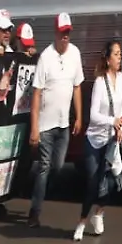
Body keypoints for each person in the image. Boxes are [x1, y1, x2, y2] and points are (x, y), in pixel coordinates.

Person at [29, 12, 84, 228]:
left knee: (58, 166)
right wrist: (35, 128)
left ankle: (42, 191)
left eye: (68, 32)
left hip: (63, 124)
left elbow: (77, 87)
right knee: (44, 167)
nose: (65, 36)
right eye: (62, 32)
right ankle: (35, 212)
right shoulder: (46, 57)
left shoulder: (75, 53)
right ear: (55, 32)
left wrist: (79, 116)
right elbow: (36, 93)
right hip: (45, 124)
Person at [74, 39, 122, 241]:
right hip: (94, 140)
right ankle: (81, 222)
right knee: (93, 183)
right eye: (116, 54)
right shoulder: (99, 82)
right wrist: (112, 121)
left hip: (111, 140)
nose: (119, 57)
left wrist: (120, 127)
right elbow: (94, 115)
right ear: (107, 59)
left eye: (120, 54)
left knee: (114, 180)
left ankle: (99, 213)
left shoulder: (121, 79)